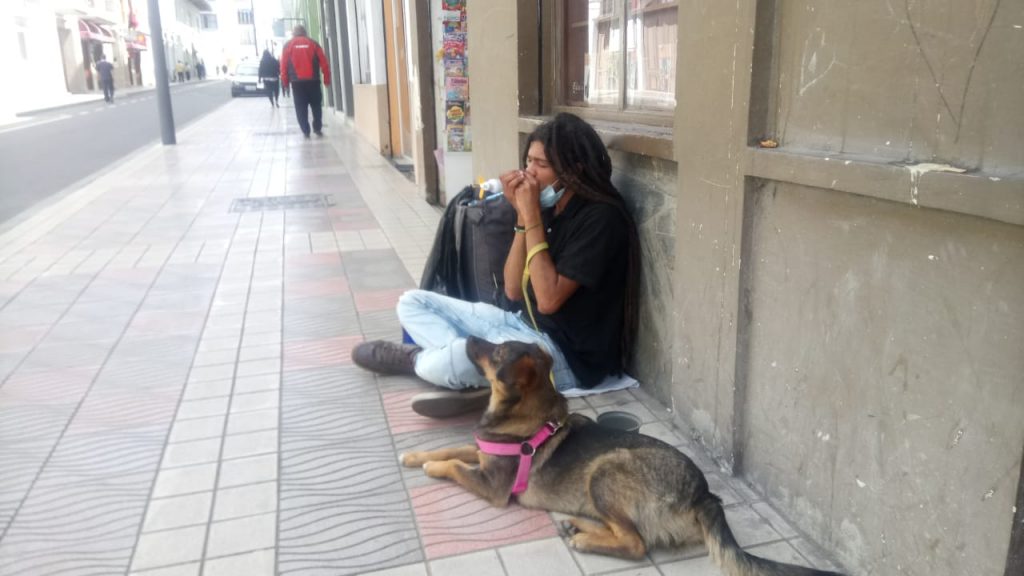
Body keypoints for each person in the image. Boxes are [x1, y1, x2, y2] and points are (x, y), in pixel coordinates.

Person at [352, 113, 641, 418]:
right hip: (518, 324)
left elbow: (547, 299)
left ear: (574, 171)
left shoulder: (601, 219)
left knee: (458, 359)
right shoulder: (551, 207)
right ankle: (477, 373)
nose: (528, 173)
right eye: (527, 161)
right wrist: (521, 216)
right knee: (412, 302)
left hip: (561, 357)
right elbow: (513, 290)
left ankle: (418, 360)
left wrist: (530, 216)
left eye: (541, 165)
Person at [280, 25, 330, 138]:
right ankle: (317, 128)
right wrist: (326, 79)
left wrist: (285, 83)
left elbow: (283, 67)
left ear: (293, 33)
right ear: (305, 32)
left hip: (297, 83)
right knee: (316, 106)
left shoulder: (288, 46)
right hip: (314, 81)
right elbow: (324, 63)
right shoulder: (314, 43)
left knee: (300, 108)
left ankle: (305, 130)